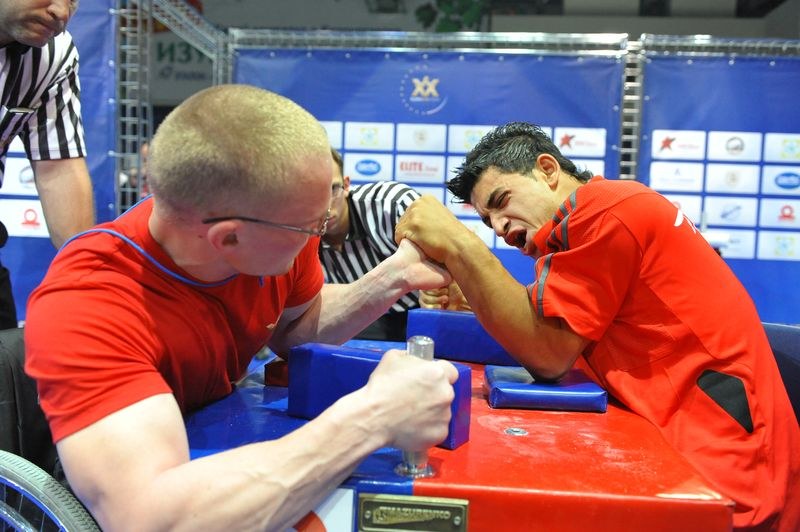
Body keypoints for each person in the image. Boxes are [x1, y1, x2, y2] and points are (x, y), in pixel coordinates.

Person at [24, 84, 458, 530]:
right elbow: (153, 518)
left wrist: (391, 278)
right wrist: (374, 418)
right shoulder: (88, 303)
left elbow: (296, 328)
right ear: (228, 237)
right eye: (312, 225)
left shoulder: (267, 234)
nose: (321, 234)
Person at [395, 122, 800, 531]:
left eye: (501, 202)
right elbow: (547, 331)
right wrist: (479, 295)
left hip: (726, 470)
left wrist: (460, 244)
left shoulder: (603, 212)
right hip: (706, 447)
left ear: (548, 170)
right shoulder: (605, 212)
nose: (499, 227)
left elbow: (548, 355)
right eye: (487, 221)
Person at [0, 0, 95, 329]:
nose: (62, 12)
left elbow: (59, 168)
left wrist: (89, 283)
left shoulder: (53, 54)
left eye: (73, 0)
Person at [320, 148, 468, 340]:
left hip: (416, 311)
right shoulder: (294, 225)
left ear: (346, 185)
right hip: (359, 319)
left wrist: (443, 287)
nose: (325, 205)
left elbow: (452, 243)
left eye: (332, 189)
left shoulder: (392, 203)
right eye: (313, 192)